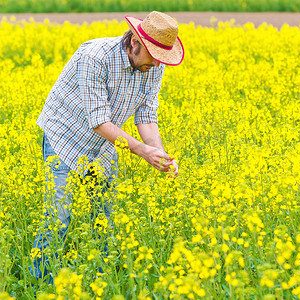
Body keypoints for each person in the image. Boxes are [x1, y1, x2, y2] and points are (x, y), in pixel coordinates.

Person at [29, 11, 184, 284]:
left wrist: (159, 154)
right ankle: (40, 285)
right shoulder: (96, 56)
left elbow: (146, 115)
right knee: (58, 219)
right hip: (64, 137)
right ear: (135, 42)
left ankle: (102, 281)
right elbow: (99, 121)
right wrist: (141, 151)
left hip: (103, 146)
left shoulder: (153, 66)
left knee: (104, 218)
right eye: (153, 56)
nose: (157, 64)